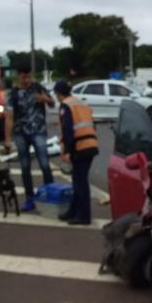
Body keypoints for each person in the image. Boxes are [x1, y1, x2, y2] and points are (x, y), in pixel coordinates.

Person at [4, 65, 55, 212]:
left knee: (45, 165)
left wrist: (44, 98)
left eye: (29, 77)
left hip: (38, 131)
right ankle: (29, 198)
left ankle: (50, 194)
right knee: (25, 167)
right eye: (23, 77)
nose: (27, 80)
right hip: (20, 134)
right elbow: (9, 117)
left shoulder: (38, 88)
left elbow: (52, 104)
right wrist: (7, 140)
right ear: (18, 76)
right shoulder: (12, 93)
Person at [53, 80, 98, 225]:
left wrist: (67, 151)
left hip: (80, 147)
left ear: (59, 94)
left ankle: (83, 216)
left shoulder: (66, 106)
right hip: (90, 145)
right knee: (77, 181)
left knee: (80, 183)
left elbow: (68, 131)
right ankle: (73, 211)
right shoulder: (81, 103)